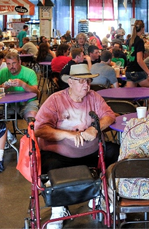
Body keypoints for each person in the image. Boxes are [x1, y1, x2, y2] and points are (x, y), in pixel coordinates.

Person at [35, 64, 120, 229]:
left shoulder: (93, 97)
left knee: (116, 153)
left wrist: (94, 128)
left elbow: (109, 116)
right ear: (70, 82)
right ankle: (59, 209)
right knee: (50, 166)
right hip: (60, 156)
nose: (86, 85)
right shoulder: (56, 100)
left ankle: (100, 195)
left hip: (90, 152)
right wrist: (67, 134)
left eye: (88, 81)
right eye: (81, 81)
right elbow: (40, 129)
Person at [0, 52, 39, 123]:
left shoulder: (30, 72)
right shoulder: (3, 72)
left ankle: (31, 134)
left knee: (33, 120)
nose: (11, 66)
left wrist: (23, 84)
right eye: (8, 64)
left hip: (27, 103)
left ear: (19, 62)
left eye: (14, 63)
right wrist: (2, 87)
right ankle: (5, 133)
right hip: (7, 104)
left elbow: (35, 91)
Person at [125, 20, 149, 88]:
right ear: (143, 28)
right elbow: (139, 60)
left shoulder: (129, 40)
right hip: (137, 71)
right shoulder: (139, 41)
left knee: (132, 95)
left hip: (129, 71)